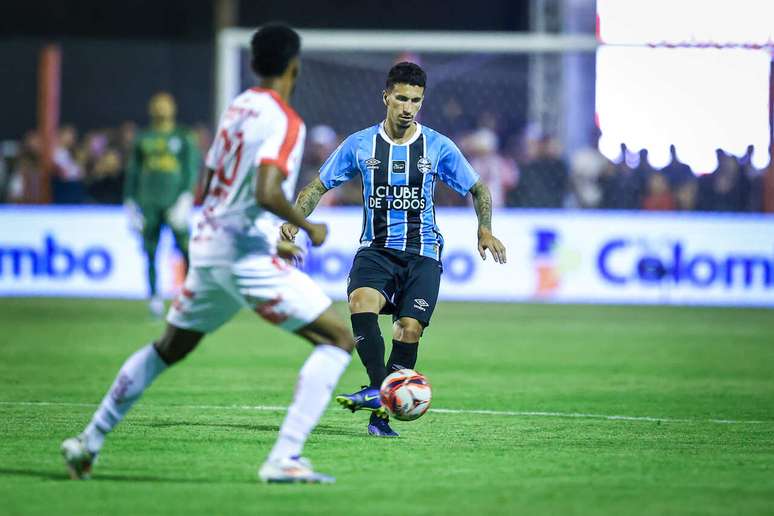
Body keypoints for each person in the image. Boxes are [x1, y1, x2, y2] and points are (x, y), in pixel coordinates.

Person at [61, 24, 355, 485]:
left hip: (211, 244)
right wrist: (306, 225)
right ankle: (284, 457)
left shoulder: (237, 108)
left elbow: (217, 177)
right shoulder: (286, 120)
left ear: (255, 64)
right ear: (294, 67)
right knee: (338, 340)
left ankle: (88, 441)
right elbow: (265, 189)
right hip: (242, 257)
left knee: (168, 348)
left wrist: (263, 236)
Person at [280, 62, 507, 437]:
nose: (407, 107)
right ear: (386, 96)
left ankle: (378, 415)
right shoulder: (359, 144)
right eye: (401, 98)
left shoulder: (437, 146)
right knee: (360, 301)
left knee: (409, 328)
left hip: (423, 253)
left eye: (415, 100)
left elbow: (479, 188)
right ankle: (377, 387)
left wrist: (485, 229)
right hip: (377, 249)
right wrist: (295, 220)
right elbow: (317, 187)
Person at [124, 91, 200, 317]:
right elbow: (133, 173)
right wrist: (129, 203)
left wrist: (186, 199)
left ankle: (189, 297)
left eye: (165, 105)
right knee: (150, 251)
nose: (161, 109)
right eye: (157, 105)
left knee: (186, 249)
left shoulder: (184, 136)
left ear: (173, 108)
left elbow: (191, 170)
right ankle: (154, 298)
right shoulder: (143, 138)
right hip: (149, 203)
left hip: (174, 203)